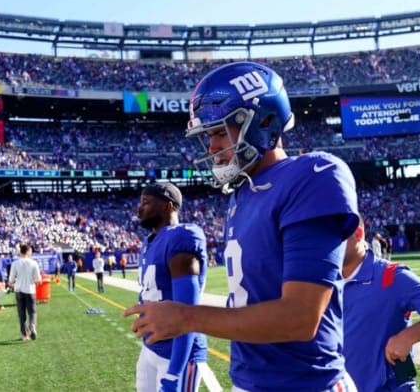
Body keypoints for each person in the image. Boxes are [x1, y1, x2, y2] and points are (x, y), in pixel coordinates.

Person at [124, 61, 360, 391]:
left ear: (264, 120)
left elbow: (301, 317)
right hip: (248, 381)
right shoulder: (241, 195)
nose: (212, 147)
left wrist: (186, 316)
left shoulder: (314, 173)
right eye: (208, 136)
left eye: (220, 132)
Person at [342, 216, 420, 391]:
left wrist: (407, 337)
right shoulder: (324, 282)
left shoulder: (391, 275)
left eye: (331, 238)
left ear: (358, 234)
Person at [135, 183, 209, 392]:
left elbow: (188, 315)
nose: (139, 208)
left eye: (146, 202)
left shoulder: (180, 237)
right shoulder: (149, 242)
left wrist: (174, 372)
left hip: (177, 352)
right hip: (151, 347)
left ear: (168, 207)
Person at [8, 243, 42, 341]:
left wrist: (12, 284)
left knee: (21, 314)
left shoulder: (15, 263)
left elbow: (10, 281)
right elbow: (38, 280)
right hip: (30, 290)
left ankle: (25, 335)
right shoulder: (33, 263)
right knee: (32, 312)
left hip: (18, 290)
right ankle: (32, 325)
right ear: (27, 251)